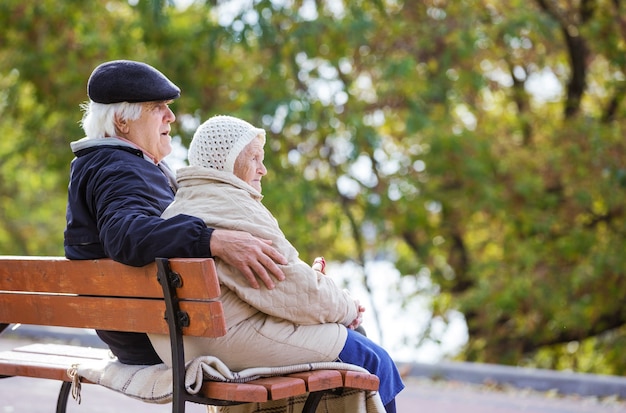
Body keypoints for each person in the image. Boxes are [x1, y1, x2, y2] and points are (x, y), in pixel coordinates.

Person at [148, 115, 404, 412]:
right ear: (226, 160)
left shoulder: (181, 205)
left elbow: (272, 285)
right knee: (374, 360)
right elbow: (295, 290)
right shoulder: (232, 207)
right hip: (224, 341)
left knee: (350, 343)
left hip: (181, 346)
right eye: (254, 158)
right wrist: (347, 307)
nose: (263, 169)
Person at [64, 60, 287, 366]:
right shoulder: (119, 169)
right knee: (352, 346)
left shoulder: (109, 164)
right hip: (160, 336)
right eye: (157, 107)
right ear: (122, 121)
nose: (171, 115)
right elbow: (125, 235)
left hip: (145, 327)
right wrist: (213, 239)